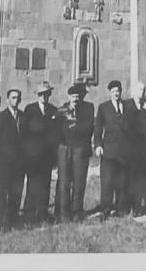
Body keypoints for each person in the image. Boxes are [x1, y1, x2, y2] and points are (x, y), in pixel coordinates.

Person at [55, 84, 94, 222]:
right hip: (65, 147)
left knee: (79, 181)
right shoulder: (61, 110)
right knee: (64, 182)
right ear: (69, 97)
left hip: (80, 148)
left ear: (82, 97)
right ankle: (64, 213)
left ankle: (77, 211)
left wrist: (73, 126)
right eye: (73, 96)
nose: (76, 99)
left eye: (78, 96)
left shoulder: (88, 108)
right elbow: (57, 129)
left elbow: (88, 128)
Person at [22, 81, 59, 223]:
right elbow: (25, 132)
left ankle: (42, 213)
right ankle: (29, 214)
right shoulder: (30, 109)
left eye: (46, 94)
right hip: (32, 155)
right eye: (41, 94)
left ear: (49, 94)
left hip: (47, 155)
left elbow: (55, 133)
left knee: (45, 184)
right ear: (37, 95)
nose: (44, 97)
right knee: (32, 184)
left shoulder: (53, 110)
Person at [0, 89, 25, 230]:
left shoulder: (22, 116)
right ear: (8, 100)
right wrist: (0, 160)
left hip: (19, 163)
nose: (16, 100)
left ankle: (13, 220)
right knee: (1, 193)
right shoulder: (2, 117)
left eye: (18, 97)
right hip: (4, 164)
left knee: (16, 192)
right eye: (13, 97)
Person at [94, 79, 130, 219]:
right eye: (113, 91)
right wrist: (98, 145)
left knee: (122, 182)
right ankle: (105, 209)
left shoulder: (127, 106)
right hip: (108, 151)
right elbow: (98, 128)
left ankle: (121, 208)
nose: (116, 94)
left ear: (121, 92)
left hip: (123, 151)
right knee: (107, 182)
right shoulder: (104, 107)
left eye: (118, 91)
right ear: (109, 93)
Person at [124, 80, 146, 214]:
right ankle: (127, 206)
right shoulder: (127, 105)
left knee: (139, 178)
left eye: (143, 90)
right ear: (134, 91)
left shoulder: (145, 106)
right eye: (139, 90)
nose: (141, 92)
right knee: (128, 177)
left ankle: (137, 206)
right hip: (129, 147)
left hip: (141, 148)